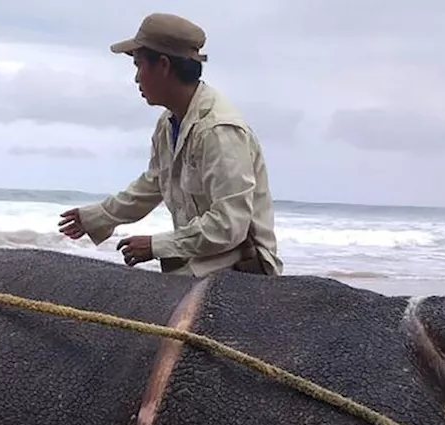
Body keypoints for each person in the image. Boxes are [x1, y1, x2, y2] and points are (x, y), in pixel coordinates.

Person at [58, 13, 283, 277]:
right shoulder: (169, 122)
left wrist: (156, 246)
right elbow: (153, 183)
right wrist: (97, 216)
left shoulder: (218, 130)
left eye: (138, 65)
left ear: (163, 65)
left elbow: (229, 225)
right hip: (201, 261)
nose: (136, 78)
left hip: (242, 269)